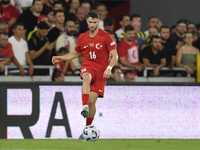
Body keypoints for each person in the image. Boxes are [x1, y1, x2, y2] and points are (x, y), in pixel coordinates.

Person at [52, 11, 118, 140]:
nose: (92, 24)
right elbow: (75, 54)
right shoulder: (82, 37)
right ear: (87, 22)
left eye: (95, 22)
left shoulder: (105, 36)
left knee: (92, 101)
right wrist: (62, 57)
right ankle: (84, 107)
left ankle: (87, 127)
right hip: (88, 66)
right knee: (86, 78)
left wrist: (109, 68)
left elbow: (115, 55)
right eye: (90, 22)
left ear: (98, 22)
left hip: (102, 71)